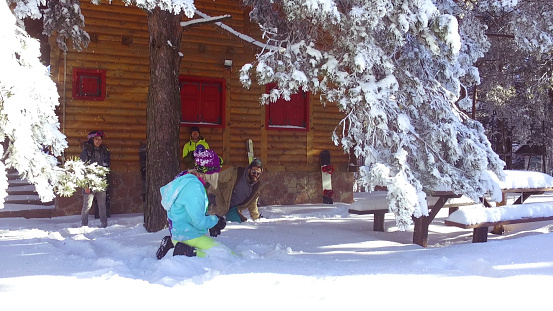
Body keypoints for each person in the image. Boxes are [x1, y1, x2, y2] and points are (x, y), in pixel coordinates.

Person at [156, 146, 227, 259]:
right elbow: (198, 222)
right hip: (189, 236)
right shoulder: (194, 187)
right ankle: (181, 251)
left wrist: (211, 221)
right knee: (223, 255)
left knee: (214, 255)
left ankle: (174, 245)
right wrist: (216, 221)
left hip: (179, 233)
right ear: (210, 172)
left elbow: (192, 212)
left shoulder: (186, 179)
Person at [210, 158, 263, 223]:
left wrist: (256, 218)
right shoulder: (235, 173)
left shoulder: (256, 187)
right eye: (254, 172)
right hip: (219, 202)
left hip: (232, 209)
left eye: (258, 173)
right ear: (249, 170)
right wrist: (211, 193)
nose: (255, 175)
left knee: (236, 224)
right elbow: (216, 179)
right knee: (210, 222)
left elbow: (252, 204)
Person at [80, 130, 110, 228]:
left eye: (100, 139)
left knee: (102, 205)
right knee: (87, 205)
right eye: (96, 139)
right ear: (91, 140)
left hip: (101, 182)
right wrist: (85, 185)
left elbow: (106, 168)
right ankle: (84, 225)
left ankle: (104, 224)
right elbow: (82, 170)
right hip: (89, 182)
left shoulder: (104, 151)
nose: (99, 141)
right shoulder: (86, 152)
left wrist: (105, 182)